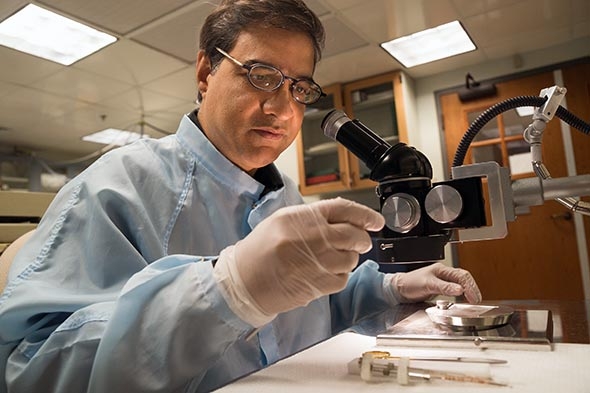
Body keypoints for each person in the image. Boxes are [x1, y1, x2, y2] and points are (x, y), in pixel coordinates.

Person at [0, 1, 481, 392]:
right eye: (260, 75)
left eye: (298, 87)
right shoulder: (118, 186)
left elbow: (318, 309)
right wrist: (225, 293)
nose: (280, 107)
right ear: (206, 73)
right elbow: (31, 372)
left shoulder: (286, 196)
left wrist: (390, 288)